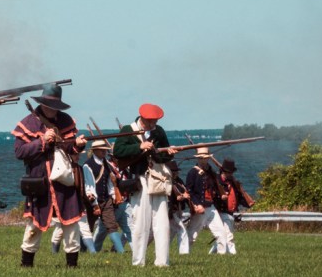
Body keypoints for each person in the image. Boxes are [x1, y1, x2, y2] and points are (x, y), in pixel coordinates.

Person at [14, 84, 87, 268]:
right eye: (48, 105)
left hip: (64, 180)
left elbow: (69, 148)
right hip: (40, 180)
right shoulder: (28, 123)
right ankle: (26, 264)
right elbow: (20, 152)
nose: (51, 109)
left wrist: (77, 144)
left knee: (71, 224)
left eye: (54, 106)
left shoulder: (66, 121)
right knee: (34, 224)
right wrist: (42, 141)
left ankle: (72, 265)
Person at [111, 103, 175, 267]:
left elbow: (161, 158)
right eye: (151, 121)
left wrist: (168, 153)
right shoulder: (129, 129)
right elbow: (118, 151)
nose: (154, 124)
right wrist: (139, 146)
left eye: (155, 120)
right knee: (140, 223)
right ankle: (138, 261)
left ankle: (162, 262)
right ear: (144, 119)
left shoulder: (158, 131)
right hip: (140, 180)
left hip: (157, 178)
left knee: (162, 223)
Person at [184, 147, 229, 255]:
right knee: (192, 234)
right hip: (200, 207)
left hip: (211, 207)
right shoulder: (192, 172)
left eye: (205, 158)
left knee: (221, 232)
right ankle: (184, 254)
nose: (203, 160)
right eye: (201, 158)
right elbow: (189, 191)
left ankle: (222, 255)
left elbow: (214, 187)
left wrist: (221, 195)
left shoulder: (210, 172)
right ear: (198, 159)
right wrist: (197, 204)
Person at [83, 139, 125, 254]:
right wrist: (95, 204)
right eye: (102, 150)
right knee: (88, 228)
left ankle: (121, 252)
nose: (104, 152)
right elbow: (89, 186)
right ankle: (83, 251)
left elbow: (110, 182)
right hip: (92, 201)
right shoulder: (88, 165)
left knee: (112, 226)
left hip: (106, 200)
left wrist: (113, 195)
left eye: (105, 150)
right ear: (95, 151)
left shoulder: (106, 163)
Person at [215, 158, 253, 256]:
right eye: (228, 172)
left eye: (231, 172)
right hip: (221, 211)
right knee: (228, 234)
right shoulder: (216, 182)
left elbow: (239, 197)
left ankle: (214, 252)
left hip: (230, 213)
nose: (230, 174)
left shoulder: (233, 182)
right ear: (223, 171)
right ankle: (232, 253)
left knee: (222, 235)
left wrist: (248, 203)